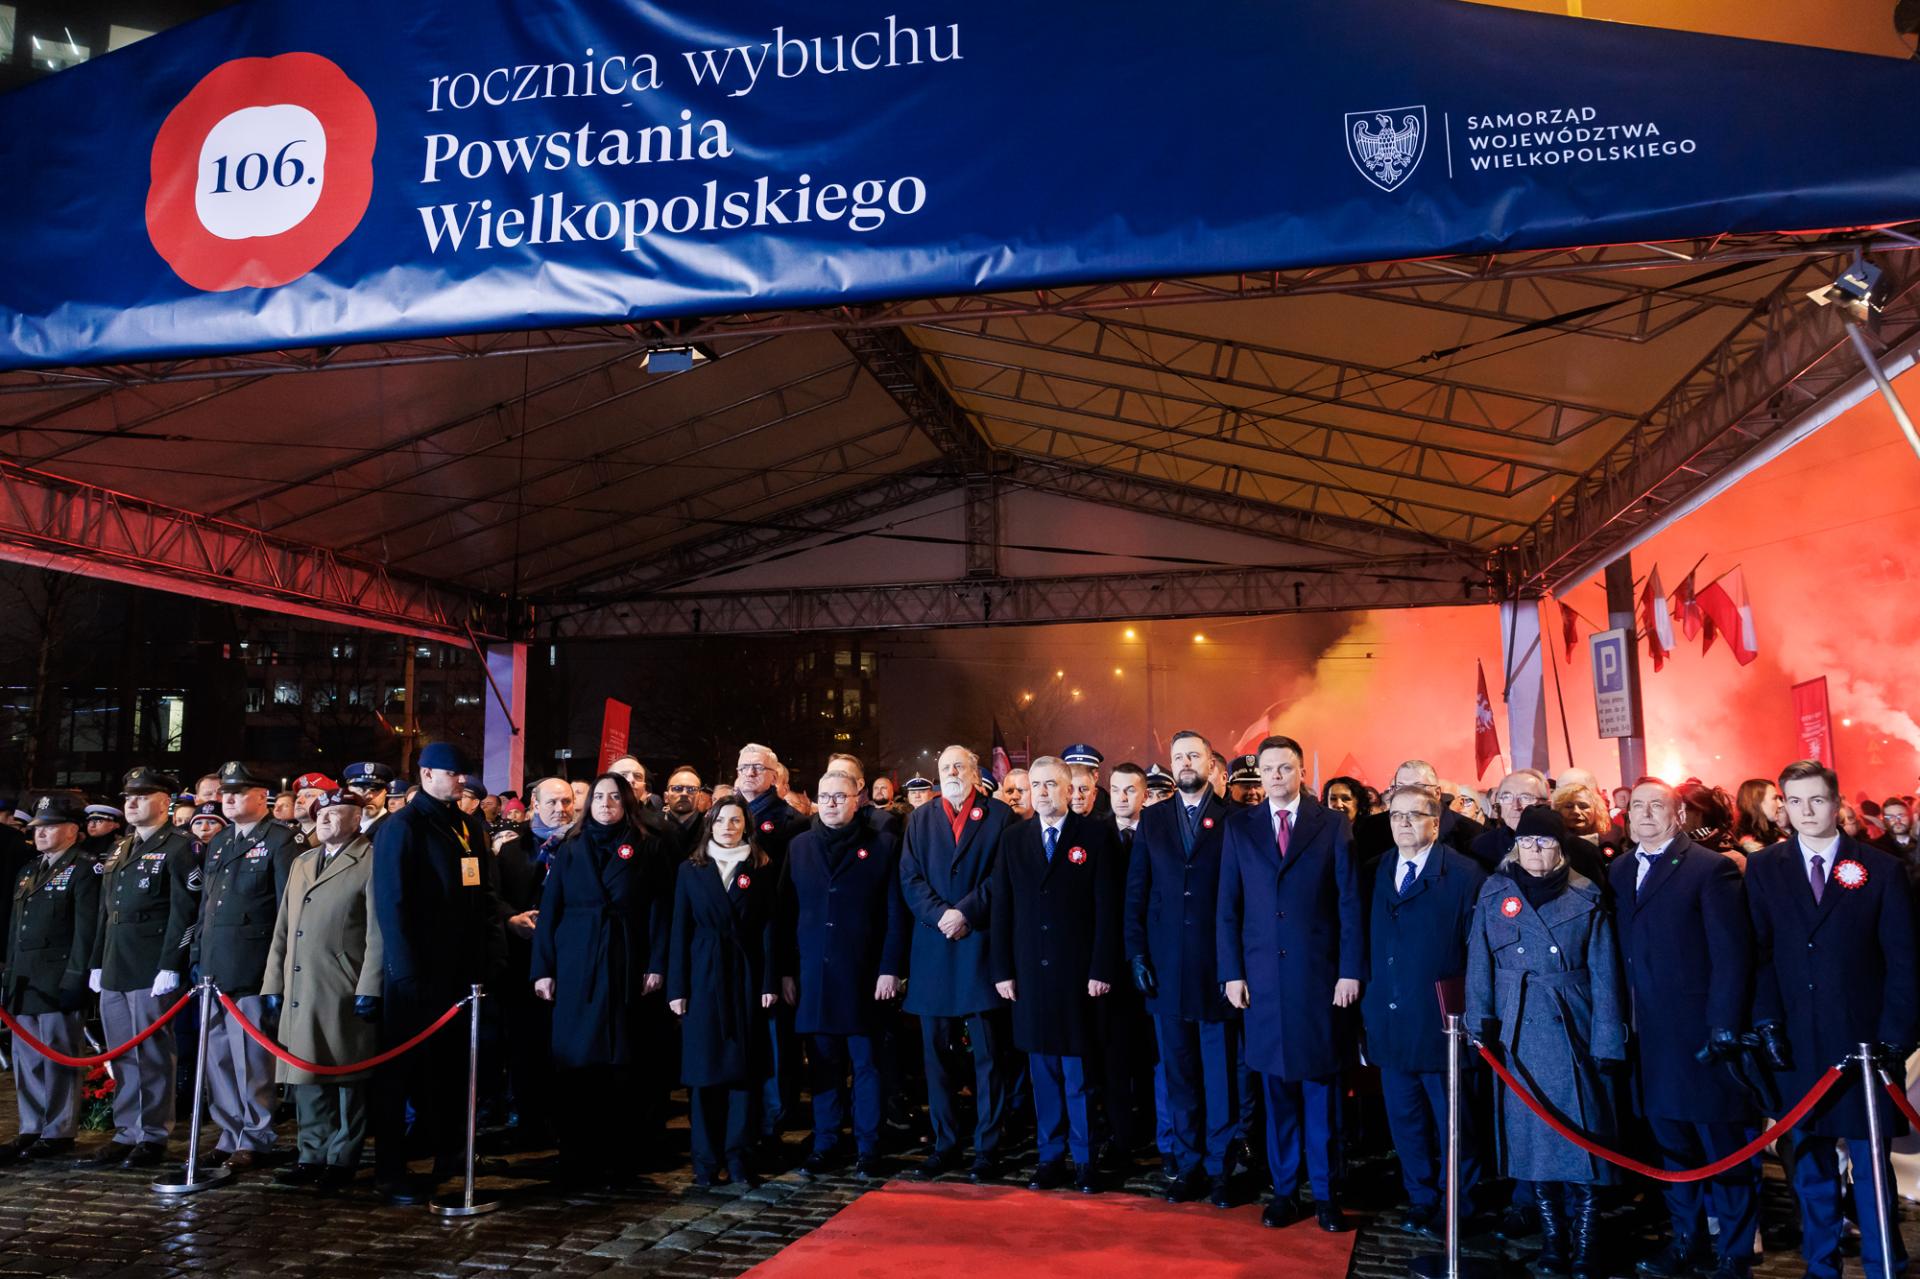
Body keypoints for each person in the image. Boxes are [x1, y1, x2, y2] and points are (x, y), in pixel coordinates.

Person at [1748, 759, 1918, 1279]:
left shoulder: (1880, 868)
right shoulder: (1765, 868)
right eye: (1795, 801)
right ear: (1783, 807)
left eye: (1817, 800)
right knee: (1810, 1163)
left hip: (1864, 1043)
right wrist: (1766, 1023)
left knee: (1871, 1165)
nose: (1806, 811)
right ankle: (1820, 1266)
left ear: (1836, 802)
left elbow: (1903, 960)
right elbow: (1758, 954)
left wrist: (1895, 1036)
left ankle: (1884, 1263)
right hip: (1798, 1041)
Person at [1466, 806, 1626, 1279]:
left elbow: (1605, 973)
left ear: (1562, 848)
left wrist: (1608, 1041)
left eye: (1545, 842)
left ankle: (1586, 1243)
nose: (1535, 851)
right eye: (1527, 842)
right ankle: (1554, 1241)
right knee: (1532, 1144)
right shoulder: (1495, 892)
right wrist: (1480, 1023)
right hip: (1517, 1032)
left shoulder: (1586, 894)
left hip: (1573, 1028)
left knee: (1583, 1141)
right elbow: (1479, 963)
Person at [1608, 777, 1758, 1279]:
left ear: (1678, 816)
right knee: (1672, 1151)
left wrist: (1724, 1026)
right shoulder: (1619, 869)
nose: (1646, 814)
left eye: (1657, 806)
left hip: (1700, 1037)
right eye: (1638, 806)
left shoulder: (1710, 868)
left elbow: (1732, 955)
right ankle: (1687, 1240)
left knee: (1723, 1149)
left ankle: (1735, 1252)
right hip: (1647, 1037)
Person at [1219, 734, 1363, 1231]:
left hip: (1319, 980)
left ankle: (1325, 1194)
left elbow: (1349, 903)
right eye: (1269, 769)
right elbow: (1228, 907)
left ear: (1302, 771)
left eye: (1285, 767)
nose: (1277, 776)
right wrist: (1232, 972)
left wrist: (1350, 970)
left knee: (1321, 1092)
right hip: (1261, 982)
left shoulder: (1332, 824)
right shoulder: (1240, 827)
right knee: (1276, 1092)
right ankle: (1284, 1192)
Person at [370, 742, 507, 1204]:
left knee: (452, 1069)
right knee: (401, 1073)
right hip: (416, 971)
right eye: (453, 773)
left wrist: (489, 954)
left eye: (463, 774)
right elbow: (392, 903)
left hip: (460, 970)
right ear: (427, 774)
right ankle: (390, 1168)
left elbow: (480, 894)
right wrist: (406, 971)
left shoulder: (465, 824)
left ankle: (451, 1152)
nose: (461, 781)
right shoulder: (403, 826)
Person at [530, 773, 671, 1184]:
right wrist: (542, 968)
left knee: (624, 1062)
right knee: (576, 1062)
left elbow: (660, 910)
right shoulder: (571, 847)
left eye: (614, 797)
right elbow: (551, 909)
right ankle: (578, 1153)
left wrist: (657, 963)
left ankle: (622, 1155)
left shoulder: (648, 846)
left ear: (627, 803)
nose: (606, 804)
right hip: (576, 961)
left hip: (627, 958)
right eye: (599, 798)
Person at [1362, 782, 1487, 1237]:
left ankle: (1459, 1202)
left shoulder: (1465, 875)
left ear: (1435, 822)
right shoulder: (1374, 870)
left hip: (1441, 1024)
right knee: (1406, 1121)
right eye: (1396, 815)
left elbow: (1478, 953)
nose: (1404, 824)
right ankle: (1421, 1197)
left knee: (1453, 1123)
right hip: (1389, 1018)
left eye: (1414, 815)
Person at [991, 756, 1120, 1194]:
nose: (1042, 792)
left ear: (1070, 790)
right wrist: (1002, 969)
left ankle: (1084, 1159)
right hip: (1030, 973)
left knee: (1078, 1071)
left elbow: (1108, 908)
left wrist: (1102, 967)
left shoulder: (1096, 836)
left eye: (1051, 784)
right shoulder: (1013, 838)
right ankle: (1050, 1157)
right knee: (1042, 1072)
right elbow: (1003, 907)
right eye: (1036, 785)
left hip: (1078, 975)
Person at [1127, 729, 1238, 1207]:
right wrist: (1136, 953)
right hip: (1166, 970)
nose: (1186, 763)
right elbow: (1136, 891)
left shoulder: (1235, 819)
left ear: (1211, 764)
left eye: (1194, 755)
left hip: (1217, 968)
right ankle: (1189, 1165)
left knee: (1221, 1076)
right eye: (1179, 757)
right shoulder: (1152, 820)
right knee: (1179, 1074)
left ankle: (1222, 1167)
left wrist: (1236, 967)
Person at [781, 769, 909, 1180]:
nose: (832, 803)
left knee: (867, 1065)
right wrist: (786, 972)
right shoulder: (799, 846)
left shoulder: (883, 845)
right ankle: (826, 1143)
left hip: (864, 975)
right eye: (825, 796)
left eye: (840, 796)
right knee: (823, 1065)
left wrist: (890, 968)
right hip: (814, 975)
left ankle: (868, 1146)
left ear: (858, 799)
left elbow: (895, 914)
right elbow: (784, 914)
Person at [900, 744, 1018, 1181]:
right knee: (936, 1057)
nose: (951, 772)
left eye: (959, 766)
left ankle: (988, 1147)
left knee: (988, 1056)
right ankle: (945, 1144)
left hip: (977, 944)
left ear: (973, 772)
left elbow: (1001, 877)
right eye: (945, 767)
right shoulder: (920, 819)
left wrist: (965, 912)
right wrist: (940, 915)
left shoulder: (1000, 816)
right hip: (934, 947)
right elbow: (909, 878)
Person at [260, 790, 384, 1190]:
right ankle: (310, 1154)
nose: (326, 819)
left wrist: (370, 986)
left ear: (358, 817)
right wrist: (273, 982)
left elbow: (377, 932)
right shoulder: (303, 862)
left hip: (342, 985)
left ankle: (341, 1159)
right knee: (305, 1073)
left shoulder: (371, 860)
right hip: (302, 985)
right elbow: (283, 928)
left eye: (336, 813)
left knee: (346, 1076)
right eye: (322, 813)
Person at [81, 767, 198, 1170]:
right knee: (121, 1052)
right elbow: (106, 913)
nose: (131, 803)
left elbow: (185, 911)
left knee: (152, 1053)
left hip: (151, 964)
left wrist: (171, 964)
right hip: (117, 962)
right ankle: (127, 1129)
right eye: (129, 797)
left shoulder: (180, 846)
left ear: (164, 802)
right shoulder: (120, 849)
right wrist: (97, 961)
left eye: (142, 797)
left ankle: (153, 1134)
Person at [194, 760, 305, 1171]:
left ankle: (255, 1135)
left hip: (253, 965)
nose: (228, 799)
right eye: (225, 792)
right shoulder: (221, 841)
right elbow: (207, 905)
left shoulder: (280, 839)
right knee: (218, 1057)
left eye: (238, 792)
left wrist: (278, 970)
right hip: (214, 964)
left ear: (262, 796)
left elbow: (287, 910)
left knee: (251, 1058)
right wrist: (196, 955)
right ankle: (229, 1132)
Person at [668, 794, 780, 1188]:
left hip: (745, 974)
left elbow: (770, 928)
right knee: (704, 1074)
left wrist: (769, 981)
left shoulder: (761, 867)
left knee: (743, 1073)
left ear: (746, 825)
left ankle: (739, 1159)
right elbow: (679, 929)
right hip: (702, 976)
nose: (727, 828)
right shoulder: (691, 869)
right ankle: (705, 1162)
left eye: (735, 821)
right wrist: (677, 987)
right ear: (709, 825)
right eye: (720, 821)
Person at [0, 793, 100, 1165]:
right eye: (37, 828)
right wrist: (9, 975)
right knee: (26, 1058)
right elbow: (17, 929)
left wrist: (76, 977)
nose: (40, 833)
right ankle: (32, 1126)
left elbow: (85, 931)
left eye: (50, 826)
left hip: (58, 978)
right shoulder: (29, 870)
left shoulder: (85, 869)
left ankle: (57, 1130)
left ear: (72, 830)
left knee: (58, 1056)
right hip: (25, 980)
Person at [491, 775, 572, 1151]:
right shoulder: (510, 850)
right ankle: (529, 1121)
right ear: (534, 805)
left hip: (568, 961)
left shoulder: (582, 844)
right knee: (525, 1046)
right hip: (522, 961)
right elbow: (493, 897)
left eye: (566, 802)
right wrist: (511, 919)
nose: (560, 809)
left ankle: (564, 1122)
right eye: (552, 802)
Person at [1732, 779, 1786, 857]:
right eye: (1775, 798)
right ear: (1757, 803)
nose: (1781, 804)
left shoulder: (1774, 831)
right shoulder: (1749, 843)